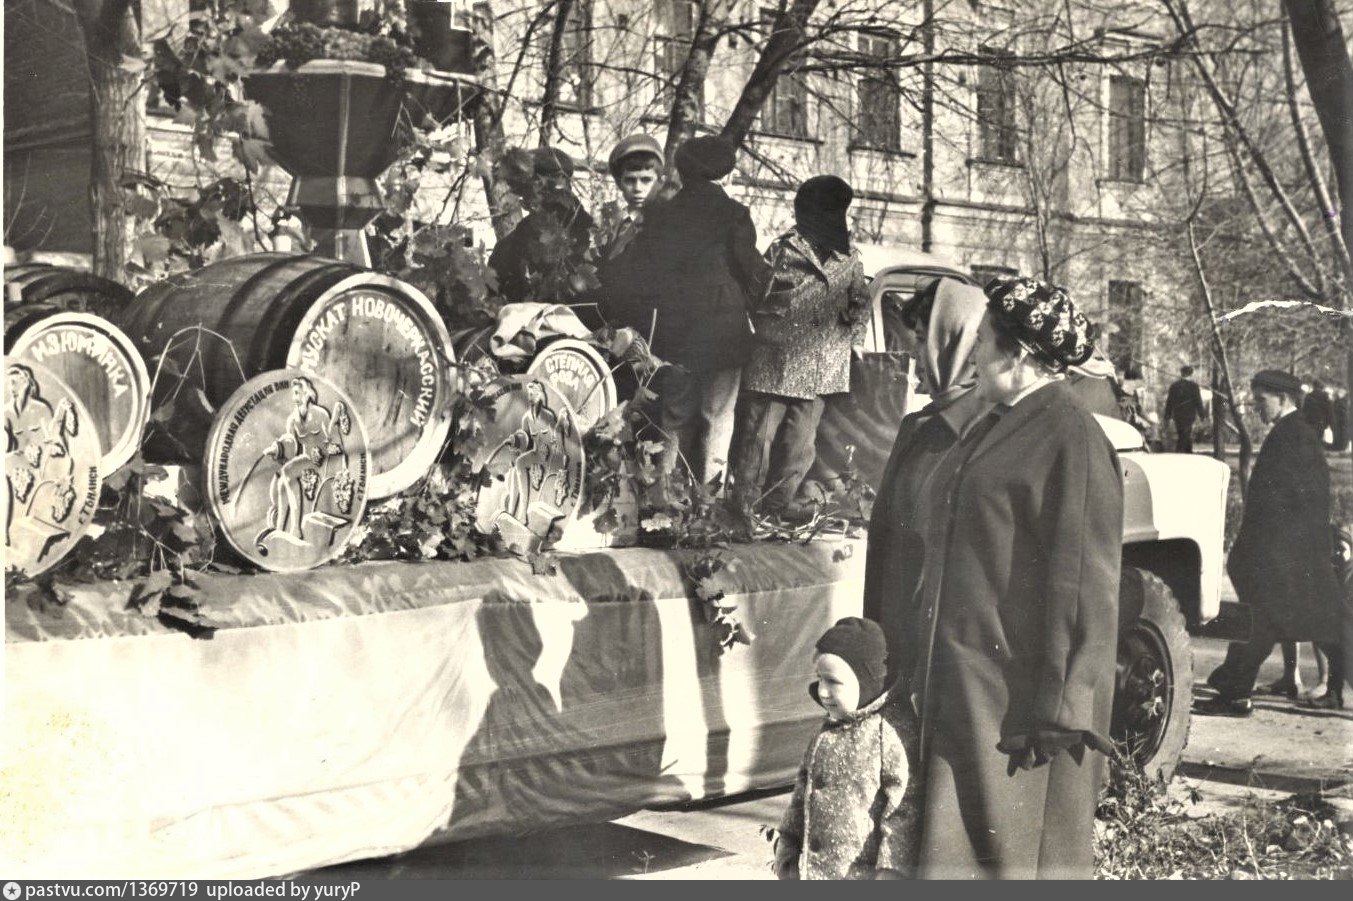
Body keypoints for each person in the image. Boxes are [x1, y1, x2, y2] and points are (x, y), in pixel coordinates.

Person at [910, 276, 1122, 879]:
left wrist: (1061, 709)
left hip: (1023, 709)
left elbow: (1084, 585)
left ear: (1020, 354)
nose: (974, 352)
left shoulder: (1070, 436)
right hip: (969, 683)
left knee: (1016, 862)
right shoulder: (998, 420)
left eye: (983, 340)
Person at [607, 135, 771, 487]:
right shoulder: (734, 213)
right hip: (724, 331)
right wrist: (749, 303)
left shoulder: (663, 215)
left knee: (675, 414)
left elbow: (647, 272)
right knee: (717, 415)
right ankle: (709, 497)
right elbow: (752, 271)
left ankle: (666, 494)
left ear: (681, 171)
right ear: (723, 174)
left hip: (676, 330)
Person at [1197, 369, 1346, 714]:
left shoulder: (1293, 435)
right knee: (1318, 624)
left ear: (1282, 399)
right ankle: (1233, 691)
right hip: (1290, 554)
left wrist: (1268, 552)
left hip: (1286, 556)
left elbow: (1294, 503)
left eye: (1261, 400)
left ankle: (1234, 693)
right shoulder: (1293, 432)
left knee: (1269, 622)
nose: (1255, 407)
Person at [863, 277, 989, 681]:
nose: (914, 354)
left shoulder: (988, 433)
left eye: (921, 339)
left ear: (954, 341)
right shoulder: (920, 424)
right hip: (899, 634)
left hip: (945, 655)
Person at [733, 175, 869, 518]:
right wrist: (771, 324)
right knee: (758, 439)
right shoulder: (783, 249)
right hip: (776, 358)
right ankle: (744, 511)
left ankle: (776, 510)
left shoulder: (850, 258)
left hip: (822, 363)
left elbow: (859, 304)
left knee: (800, 444)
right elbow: (753, 294)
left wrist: (855, 341)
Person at [773, 617, 919, 880]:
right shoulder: (825, 731)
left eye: (833, 681)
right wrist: (788, 845)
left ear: (867, 683)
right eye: (820, 679)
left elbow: (903, 807)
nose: (823, 691)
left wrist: (890, 870)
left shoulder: (888, 732)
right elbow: (802, 792)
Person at [488, 146, 596, 305]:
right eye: (532, 185)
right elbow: (492, 302)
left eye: (540, 182)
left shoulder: (596, 239)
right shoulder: (509, 247)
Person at [596, 133, 664, 263]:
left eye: (646, 180)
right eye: (630, 180)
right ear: (619, 183)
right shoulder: (614, 222)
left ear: (660, 182)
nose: (638, 188)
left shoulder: (663, 224)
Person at [1163, 364, 1207, 453]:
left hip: (1177, 414)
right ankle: (1180, 452)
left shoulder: (1174, 386)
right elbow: (1198, 401)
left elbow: (1169, 402)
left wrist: (1167, 416)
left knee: (1183, 433)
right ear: (1191, 374)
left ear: (1181, 373)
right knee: (1185, 434)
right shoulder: (1194, 386)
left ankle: (1188, 452)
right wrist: (1202, 415)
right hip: (1189, 415)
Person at [1302, 378, 1333, 443]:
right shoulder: (1326, 397)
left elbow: (1304, 410)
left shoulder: (1308, 396)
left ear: (1314, 386)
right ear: (1321, 387)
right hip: (1321, 423)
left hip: (1309, 423)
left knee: (1309, 441)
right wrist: (1327, 424)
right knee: (1318, 441)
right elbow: (1329, 412)